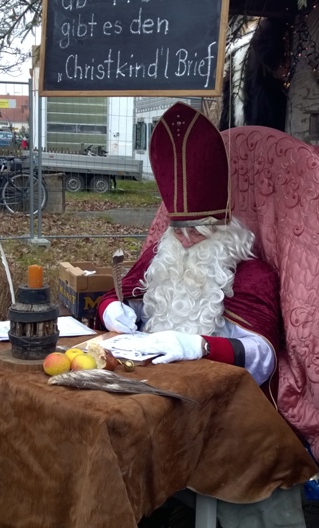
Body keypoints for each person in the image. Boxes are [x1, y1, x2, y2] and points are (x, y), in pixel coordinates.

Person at [98, 103, 280, 385]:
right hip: (144, 378)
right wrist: (110, 310)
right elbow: (116, 296)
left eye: (196, 232)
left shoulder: (254, 277)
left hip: (212, 391)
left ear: (222, 230)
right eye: (177, 231)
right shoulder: (161, 256)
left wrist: (198, 346)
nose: (184, 241)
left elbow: (263, 356)